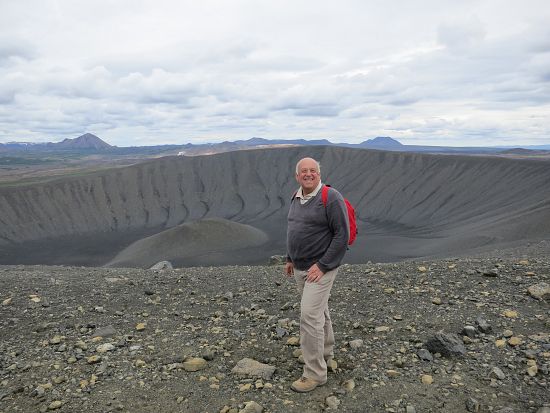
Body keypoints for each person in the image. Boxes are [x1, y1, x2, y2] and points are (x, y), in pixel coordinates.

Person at [285, 157, 350, 392]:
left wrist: (322, 265)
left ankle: (315, 374)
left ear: (319, 174)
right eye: (304, 171)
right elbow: (294, 227)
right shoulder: (297, 196)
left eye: (313, 170)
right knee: (319, 311)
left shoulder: (331, 198)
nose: (308, 174)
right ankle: (324, 353)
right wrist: (290, 257)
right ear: (297, 175)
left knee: (309, 315)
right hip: (301, 267)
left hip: (320, 269)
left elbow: (342, 235)